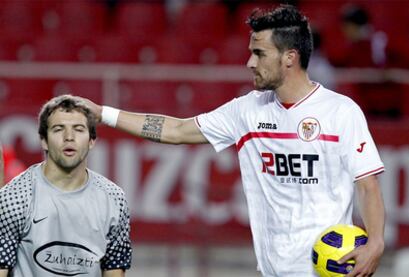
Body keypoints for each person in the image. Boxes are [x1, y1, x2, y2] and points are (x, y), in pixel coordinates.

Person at [81, 5, 385, 277]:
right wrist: (104, 113)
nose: (250, 63)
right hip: (271, 270)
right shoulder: (246, 110)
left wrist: (376, 242)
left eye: (260, 53)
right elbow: (175, 130)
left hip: (327, 269)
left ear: (289, 57)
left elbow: (367, 185)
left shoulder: (341, 112)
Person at [0, 95, 132, 277]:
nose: (69, 137)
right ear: (43, 140)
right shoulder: (14, 196)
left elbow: (114, 270)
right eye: (58, 129)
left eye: (78, 129)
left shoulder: (114, 199)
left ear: (92, 140)